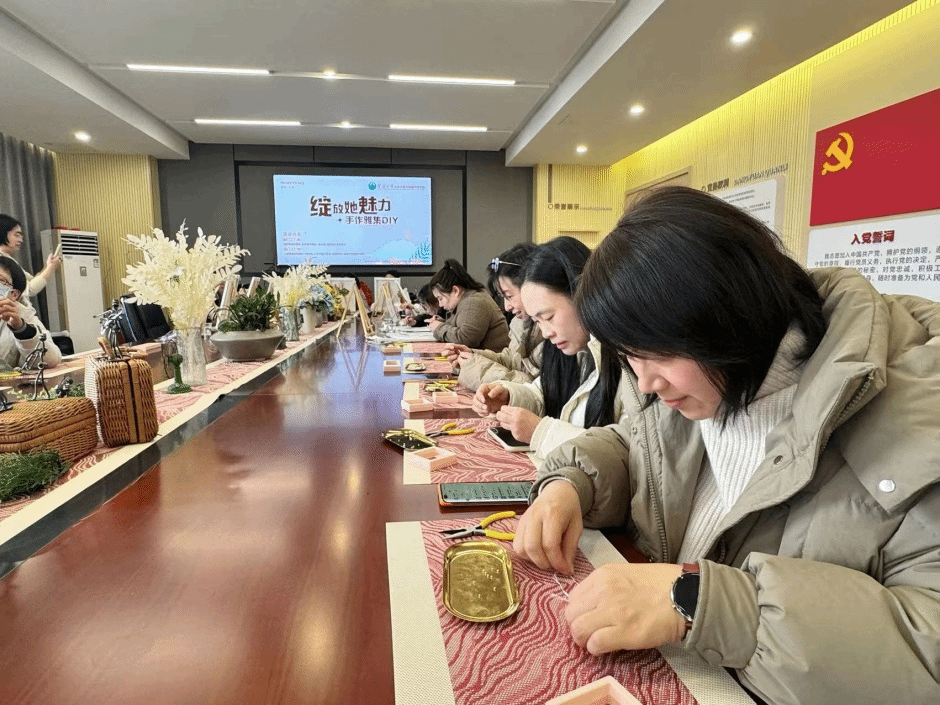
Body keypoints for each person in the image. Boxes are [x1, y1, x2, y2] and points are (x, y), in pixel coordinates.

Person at [512, 186, 940, 705]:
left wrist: (698, 604)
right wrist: (570, 483)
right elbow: (637, 447)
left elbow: (926, 651)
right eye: (629, 357)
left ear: (728, 317)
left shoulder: (917, 411)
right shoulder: (713, 385)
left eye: (656, 354)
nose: (645, 382)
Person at [471, 237, 626, 459]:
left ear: (582, 294)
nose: (545, 333)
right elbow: (545, 391)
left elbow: (627, 454)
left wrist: (542, 433)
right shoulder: (573, 350)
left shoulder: (629, 360)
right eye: (537, 321)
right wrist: (508, 396)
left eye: (549, 317)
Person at [446, 243, 544, 391]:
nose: (507, 307)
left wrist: (476, 368)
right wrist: (472, 355)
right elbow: (515, 361)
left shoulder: (473, 302)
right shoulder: (522, 322)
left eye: (509, 296)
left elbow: (534, 389)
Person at [427, 259, 509, 352]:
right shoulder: (468, 299)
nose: (440, 304)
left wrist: (439, 327)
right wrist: (443, 323)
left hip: (491, 358)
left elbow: (466, 340)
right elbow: (462, 327)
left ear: (455, 291)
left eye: (440, 298)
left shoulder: (473, 302)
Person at [0, 254, 62, 369]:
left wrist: (21, 329)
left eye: (1, 281)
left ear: (14, 294)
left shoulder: (22, 315)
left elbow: (51, 359)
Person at [0, 214, 62, 299]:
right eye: (17, 235)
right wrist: (51, 267)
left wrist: (48, 266)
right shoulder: (2, 262)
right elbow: (29, 289)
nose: (21, 240)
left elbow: (32, 281)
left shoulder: (7, 258)